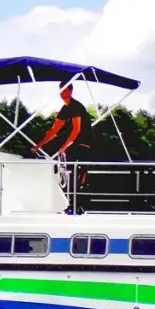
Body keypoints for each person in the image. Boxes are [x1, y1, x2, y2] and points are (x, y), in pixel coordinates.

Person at [31, 82, 96, 212]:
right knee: (69, 173)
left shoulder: (76, 106)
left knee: (78, 173)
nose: (62, 93)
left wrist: (65, 146)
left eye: (65, 90)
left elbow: (77, 129)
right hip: (74, 143)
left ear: (71, 91)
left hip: (85, 143)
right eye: (61, 90)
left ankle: (77, 205)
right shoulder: (65, 109)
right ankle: (73, 204)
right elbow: (54, 130)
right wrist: (39, 145)